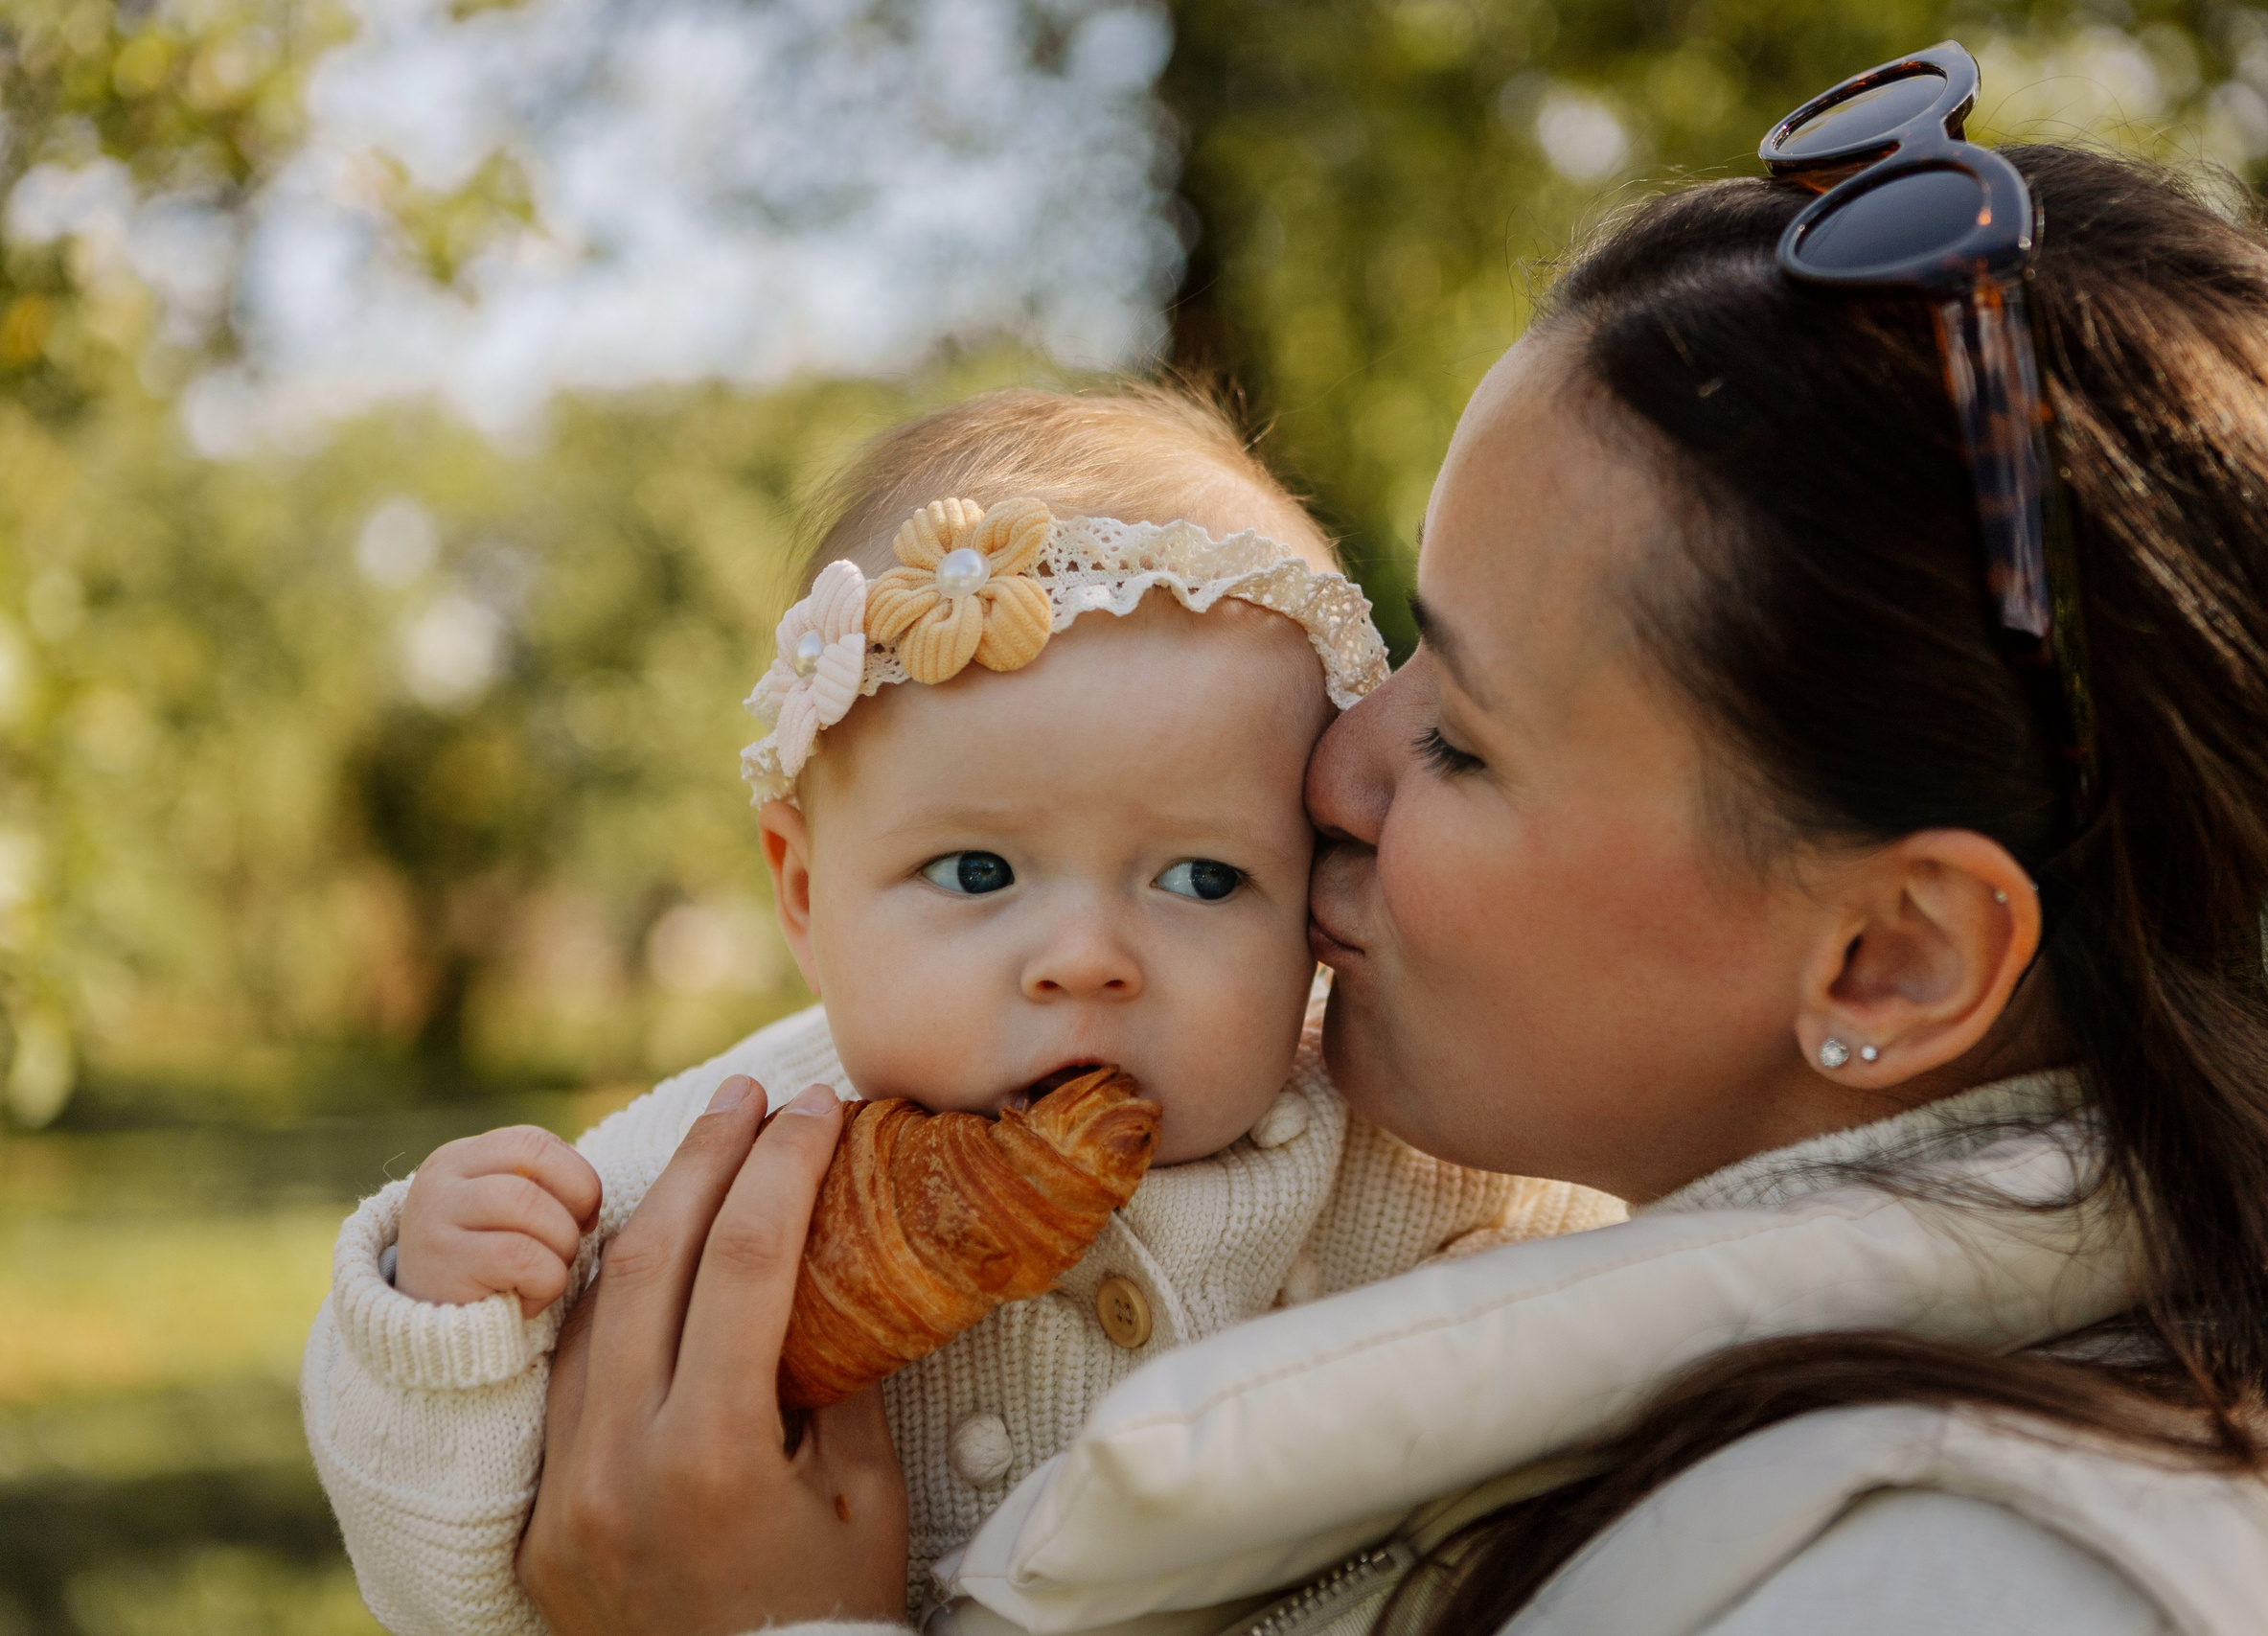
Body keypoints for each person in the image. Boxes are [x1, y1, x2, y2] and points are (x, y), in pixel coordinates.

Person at [507, 100, 2268, 1636]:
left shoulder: (1992, 1587)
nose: (1327, 765)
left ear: (1886, 955)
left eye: (1461, 735)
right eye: (1400, 651)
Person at [299, 385, 1625, 1635]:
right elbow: (457, 1586)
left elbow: (1592, 1296)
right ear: (806, 892)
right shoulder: (734, 1172)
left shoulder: (1394, 1160)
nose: (1088, 958)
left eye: (1204, 877)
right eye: (979, 872)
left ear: (1310, 901)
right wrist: (446, 1322)